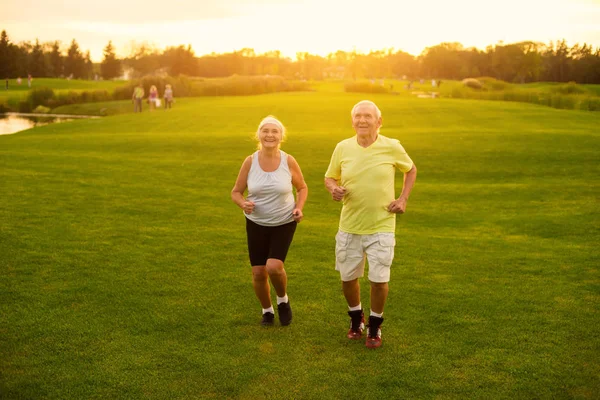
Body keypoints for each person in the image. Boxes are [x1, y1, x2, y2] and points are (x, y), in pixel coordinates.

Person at [324, 100, 417, 349]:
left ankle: (375, 327)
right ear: (352, 120)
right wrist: (333, 188)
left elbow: (411, 169)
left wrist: (403, 199)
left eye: (367, 116)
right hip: (350, 225)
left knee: (378, 280)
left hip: (382, 225)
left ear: (379, 121)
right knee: (348, 277)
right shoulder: (342, 147)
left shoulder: (392, 146)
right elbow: (329, 177)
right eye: (358, 116)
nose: (362, 120)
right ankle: (356, 319)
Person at [231, 116, 308, 327]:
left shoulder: (288, 161)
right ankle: (267, 311)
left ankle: (283, 300)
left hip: (283, 221)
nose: (270, 135)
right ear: (259, 135)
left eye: (274, 131)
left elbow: (302, 187)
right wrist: (243, 204)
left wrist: (299, 208)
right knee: (258, 272)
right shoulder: (250, 161)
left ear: (281, 136)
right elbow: (236, 192)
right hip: (256, 223)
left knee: (273, 266)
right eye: (265, 131)